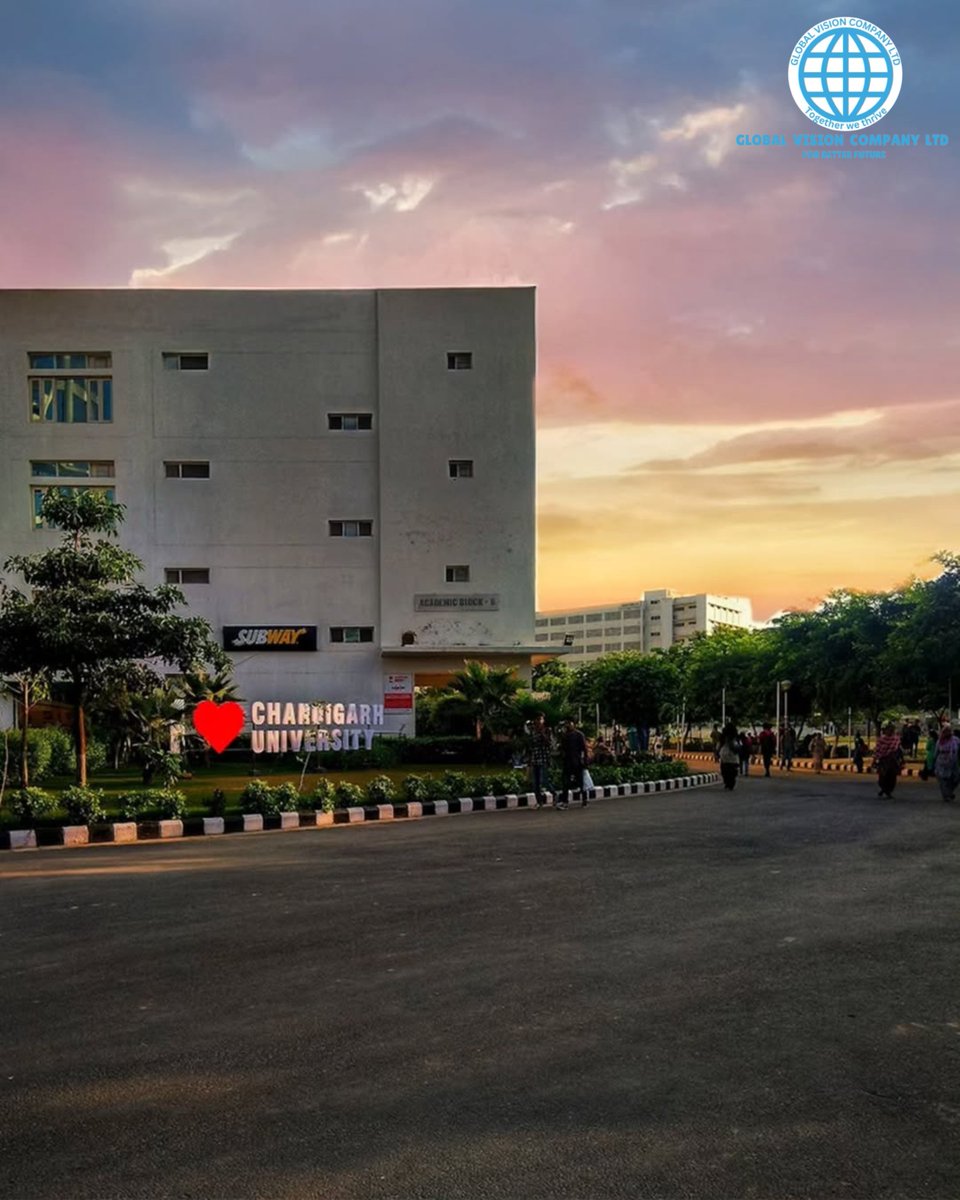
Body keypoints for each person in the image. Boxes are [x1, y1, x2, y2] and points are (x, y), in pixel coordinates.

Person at [557, 718, 589, 810]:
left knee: (580, 782)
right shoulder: (565, 736)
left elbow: (584, 749)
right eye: (566, 724)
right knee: (565, 783)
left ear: (574, 724)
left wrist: (584, 761)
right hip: (567, 762)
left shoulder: (579, 735)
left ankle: (584, 800)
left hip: (577, 762)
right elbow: (562, 749)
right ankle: (565, 802)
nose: (567, 725)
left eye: (569, 723)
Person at [526, 714, 553, 809]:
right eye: (536, 719)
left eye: (540, 719)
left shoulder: (547, 730)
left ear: (543, 720)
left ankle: (555, 796)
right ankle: (539, 802)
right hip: (535, 759)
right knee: (535, 783)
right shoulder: (532, 731)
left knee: (544, 780)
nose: (538, 721)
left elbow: (549, 743)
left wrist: (542, 734)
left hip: (544, 759)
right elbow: (531, 745)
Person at [872, 722, 902, 799]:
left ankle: (887, 791)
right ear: (886, 731)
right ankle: (884, 789)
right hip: (883, 760)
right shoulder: (881, 739)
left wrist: (901, 760)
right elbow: (877, 750)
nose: (891, 731)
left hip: (892, 760)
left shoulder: (896, 739)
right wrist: (874, 760)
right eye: (889, 730)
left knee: (892, 777)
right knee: (882, 778)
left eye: (892, 730)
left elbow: (898, 749)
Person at [933, 725, 960, 802]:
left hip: (953, 761)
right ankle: (946, 795)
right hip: (942, 762)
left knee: (956, 778)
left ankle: (949, 792)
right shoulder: (940, 741)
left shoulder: (955, 740)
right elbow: (936, 752)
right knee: (943, 780)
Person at [718, 723, 741, 791]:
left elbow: (719, 745)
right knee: (733, 770)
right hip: (733, 756)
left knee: (724, 770)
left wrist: (717, 753)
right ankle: (731, 783)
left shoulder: (723, 737)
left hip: (724, 754)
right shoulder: (735, 737)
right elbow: (738, 746)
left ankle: (727, 782)